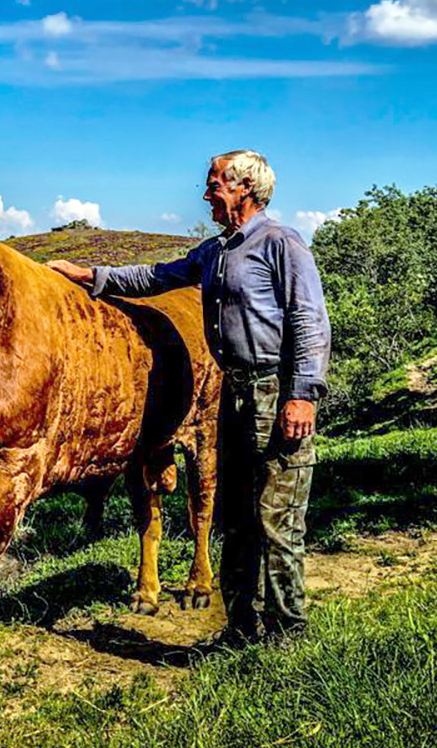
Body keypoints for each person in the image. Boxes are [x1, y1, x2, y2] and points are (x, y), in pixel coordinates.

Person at [46, 150, 331, 643]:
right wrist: (92, 277)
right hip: (233, 394)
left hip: (274, 391)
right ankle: (241, 628)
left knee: (277, 519)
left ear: (245, 188)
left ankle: (287, 635)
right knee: (237, 517)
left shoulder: (282, 245)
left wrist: (302, 394)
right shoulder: (216, 253)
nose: (206, 195)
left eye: (215, 184)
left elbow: (310, 321)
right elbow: (158, 277)